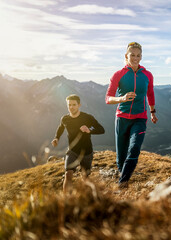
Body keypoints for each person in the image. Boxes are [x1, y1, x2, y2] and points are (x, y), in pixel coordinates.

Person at [105, 42, 158, 188]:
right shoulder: (118, 74)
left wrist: (152, 112)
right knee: (121, 157)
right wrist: (121, 99)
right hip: (122, 118)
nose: (135, 58)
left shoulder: (147, 75)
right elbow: (108, 98)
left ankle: (122, 185)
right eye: (132, 55)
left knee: (134, 148)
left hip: (140, 118)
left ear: (141, 56)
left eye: (138, 55)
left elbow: (150, 94)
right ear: (126, 56)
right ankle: (125, 180)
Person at [52, 94, 105, 193]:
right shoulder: (65, 119)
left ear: (79, 105)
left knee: (85, 177)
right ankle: (66, 200)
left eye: (74, 105)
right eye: (69, 105)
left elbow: (101, 129)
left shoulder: (87, 118)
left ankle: (85, 198)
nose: (71, 107)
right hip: (73, 151)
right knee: (68, 174)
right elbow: (60, 128)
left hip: (87, 152)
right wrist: (56, 138)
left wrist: (89, 130)